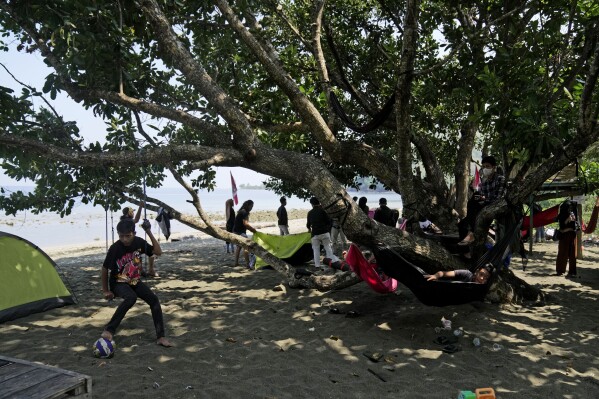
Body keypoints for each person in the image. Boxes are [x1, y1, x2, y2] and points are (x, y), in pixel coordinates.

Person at [100, 219, 172, 347]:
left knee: (154, 300)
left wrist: (148, 231)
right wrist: (106, 290)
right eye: (121, 236)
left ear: (134, 233)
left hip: (134, 280)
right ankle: (109, 329)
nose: (125, 239)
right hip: (118, 282)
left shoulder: (139, 242)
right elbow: (105, 268)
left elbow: (158, 252)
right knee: (131, 298)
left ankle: (160, 337)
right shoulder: (115, 248)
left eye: (128, 236)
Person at [458, 155, 506, 245]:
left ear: (494, 167)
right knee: (462, 224)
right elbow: (482, 196)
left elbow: (498, 198)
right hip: (484, 204)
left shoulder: (500, 179)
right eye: (483, 166)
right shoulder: (485, 182)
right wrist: (480, 197)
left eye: (487, 166)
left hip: (495, 206)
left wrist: (482, 199)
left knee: (475, 198)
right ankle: (466, 252)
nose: (485, 169)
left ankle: (472, 232)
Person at [121, 205, 158, 277]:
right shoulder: (127, 221)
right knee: (152, 253)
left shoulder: (125, 220)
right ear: (128, 213)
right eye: (132, 212)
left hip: (133, 242)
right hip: (132, 243)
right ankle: (150, 270)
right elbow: (136, 220)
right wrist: (141, 207)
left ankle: (143, 271)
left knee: (139, 256)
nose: (133, 213)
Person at [306, 197, 339, 271]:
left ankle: (317, 266)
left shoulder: (310, 213)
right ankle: (332, 263)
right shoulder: (323, 211)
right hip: (324, 232)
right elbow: (329, 221)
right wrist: (327, 229)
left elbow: (308, 224)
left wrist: (309, 229)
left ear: (311, 204)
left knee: (316, 250)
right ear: (319, 202)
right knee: (328, 248)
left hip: (315, 234)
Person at [556, 200, 578, 277]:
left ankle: (572, 272)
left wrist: (574, 221)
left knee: (572, 255)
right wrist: (567, 220)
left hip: (571, 236)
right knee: (562, 253)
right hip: (564, 236)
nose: (570, 209)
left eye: (571, 208)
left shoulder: (574, 213)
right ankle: (560, 270)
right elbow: (562, 226)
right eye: (569, 208)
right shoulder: (562, 214)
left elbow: (576, 227)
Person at [233, 200, 258, 269]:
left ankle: (236, 263)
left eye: (252, 206)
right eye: (251, 206)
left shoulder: (241, 211)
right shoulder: (244, 212)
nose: (251, 208)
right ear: (248, 205)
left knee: (239, 247)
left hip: (235, 231)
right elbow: (245, 224)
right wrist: (253, 230)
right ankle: (248, 264)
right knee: (246, 247)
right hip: (240, 232)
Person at [425, 264, 492, 284]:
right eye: (481, 274)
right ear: (477, 272)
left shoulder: (482, 288)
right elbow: (443, 273)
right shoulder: (466, 274)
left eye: (486, 277)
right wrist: (436, 275)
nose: (482, 278)